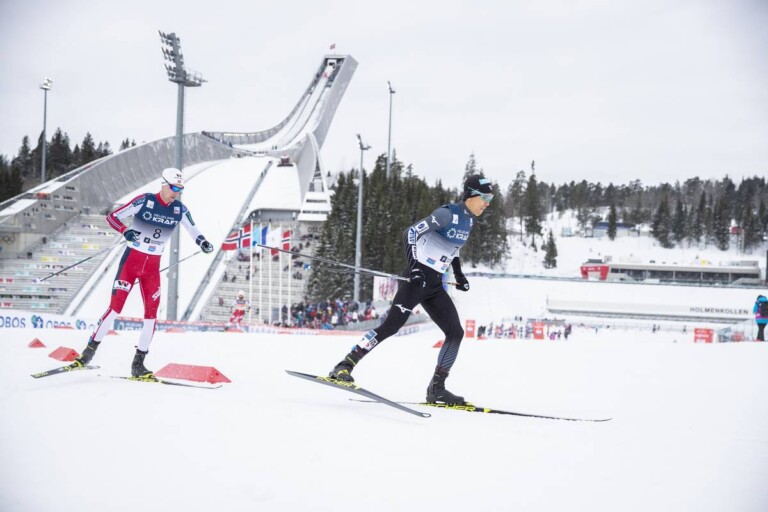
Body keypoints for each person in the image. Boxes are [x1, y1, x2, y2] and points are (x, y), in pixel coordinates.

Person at [328, 174, 494, 405]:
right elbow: (411, 233)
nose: (487, 203)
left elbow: (454, 248)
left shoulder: (469, 221)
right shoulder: (447, 214)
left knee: (455, 332)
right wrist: (414, 267)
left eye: (490, 199)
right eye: (485, 198)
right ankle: (344, 365)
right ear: (471, 195)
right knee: (391, 326)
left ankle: (437, 389)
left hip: (434, 284)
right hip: (416, 279)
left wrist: (459, 274)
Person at [72, 168, 214, 377]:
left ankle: (138, 364)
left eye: (180, 189)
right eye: (174, 188)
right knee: (115, 309)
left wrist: (203, 241)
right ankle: (87, 354)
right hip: (130, 263)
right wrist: (126, 231)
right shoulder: (145, 201)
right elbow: (112, 217)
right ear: (163, 184)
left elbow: (193, 229)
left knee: (151, 316)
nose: (177, 193)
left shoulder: (179, 210)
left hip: (151, 270)